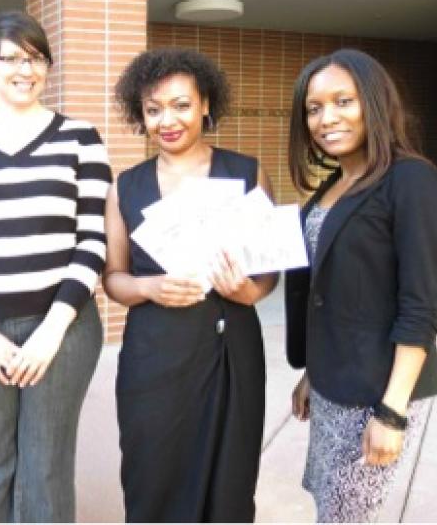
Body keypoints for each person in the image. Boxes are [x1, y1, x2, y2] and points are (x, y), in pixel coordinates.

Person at [0, 10, 111, 522]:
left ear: (47, 67)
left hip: (62, 328)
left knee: (46, 464)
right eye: (9, 58)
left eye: (34, 58)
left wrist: (53, 329)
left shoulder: (80, 139)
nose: (22, 69)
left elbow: (91, 240)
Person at [103, 48, 278, 522]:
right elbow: (113, 278)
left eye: (181, 105)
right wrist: (149, 288)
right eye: (153, 109)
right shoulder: (127, 186)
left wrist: (250, 292)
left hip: (230, 351)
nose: (167, 120)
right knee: (151, 472)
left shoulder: (245, 173)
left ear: (205, 104)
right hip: (153, 355)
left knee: (230, 476)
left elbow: (268, 269)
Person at [285, 48, 437, 522]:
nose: (325, 118)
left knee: (350, 514)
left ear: (374, 104)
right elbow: (331, 292)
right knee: (329, 503)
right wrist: (313, 371)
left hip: (378, 392)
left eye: (343, 101)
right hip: (335, 382)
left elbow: (420, 307)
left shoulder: (410, 179)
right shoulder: (332, 185)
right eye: (314, 108)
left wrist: (392, 413)